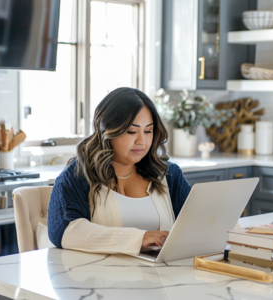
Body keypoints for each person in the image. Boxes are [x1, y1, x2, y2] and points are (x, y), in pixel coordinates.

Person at [48, 87, 191, 256]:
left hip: (162, 278)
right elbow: (64, 232)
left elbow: (195, 222)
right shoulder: (78, 176)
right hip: (98, 278)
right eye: (132, 131)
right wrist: (139, 238)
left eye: (148, 131)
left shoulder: (169, 175)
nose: (142, 141)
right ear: (107, 130)